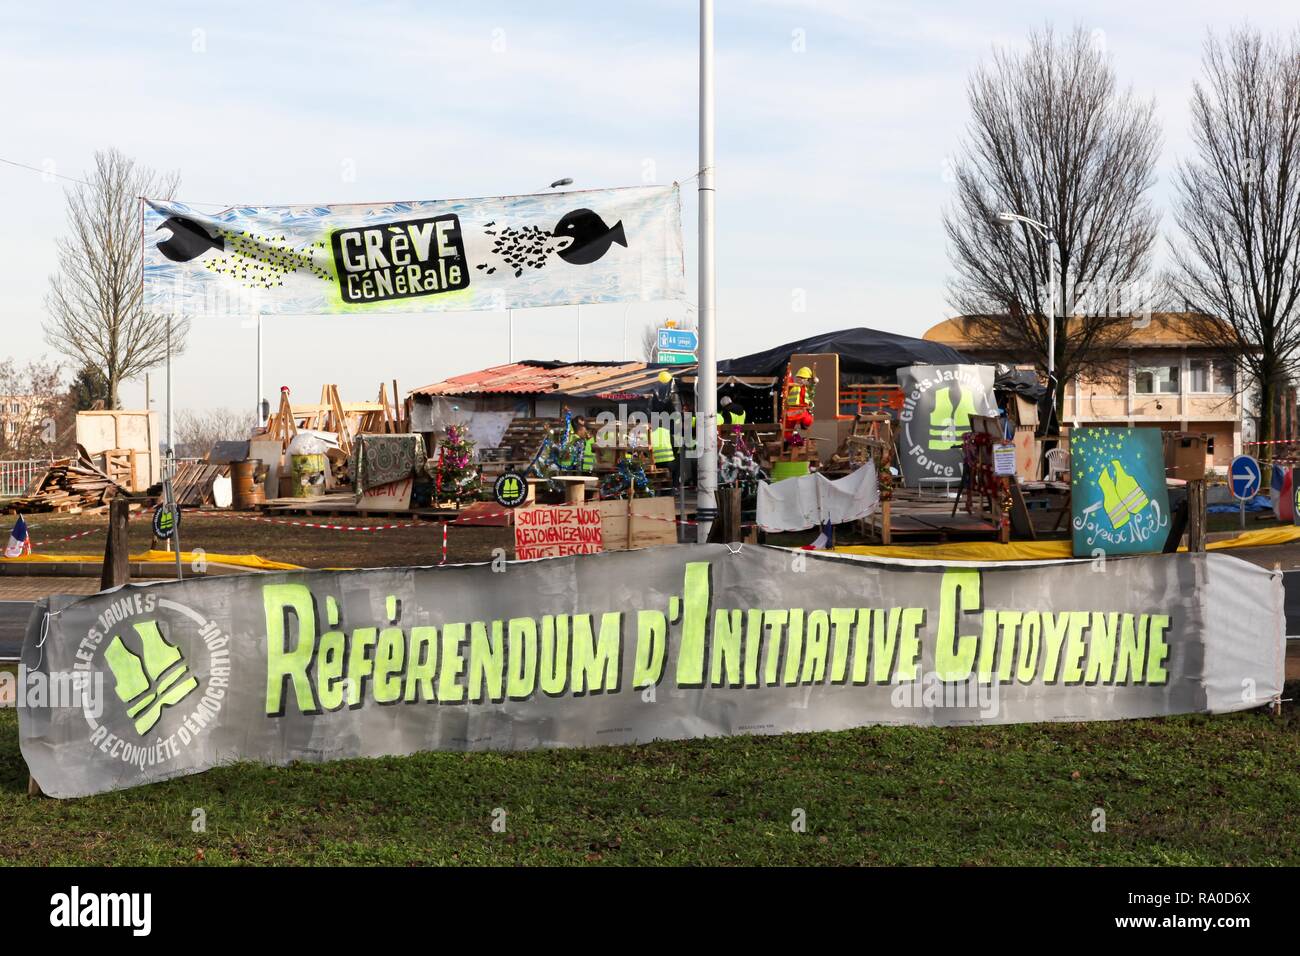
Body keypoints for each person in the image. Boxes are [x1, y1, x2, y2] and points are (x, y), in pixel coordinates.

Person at [782, 366, 816, 445]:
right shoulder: (793, 385)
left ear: (808, 380)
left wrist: (814, 382)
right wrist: (788, 373)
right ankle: (790, 441)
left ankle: (794, 440)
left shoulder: (808, 388)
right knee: (787, 430)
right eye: (800, 378)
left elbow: (812, 389)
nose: (801, 380)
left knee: (808, 419)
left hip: (802, 410)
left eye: (804, 378)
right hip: (792, 410)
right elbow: (787, 383)